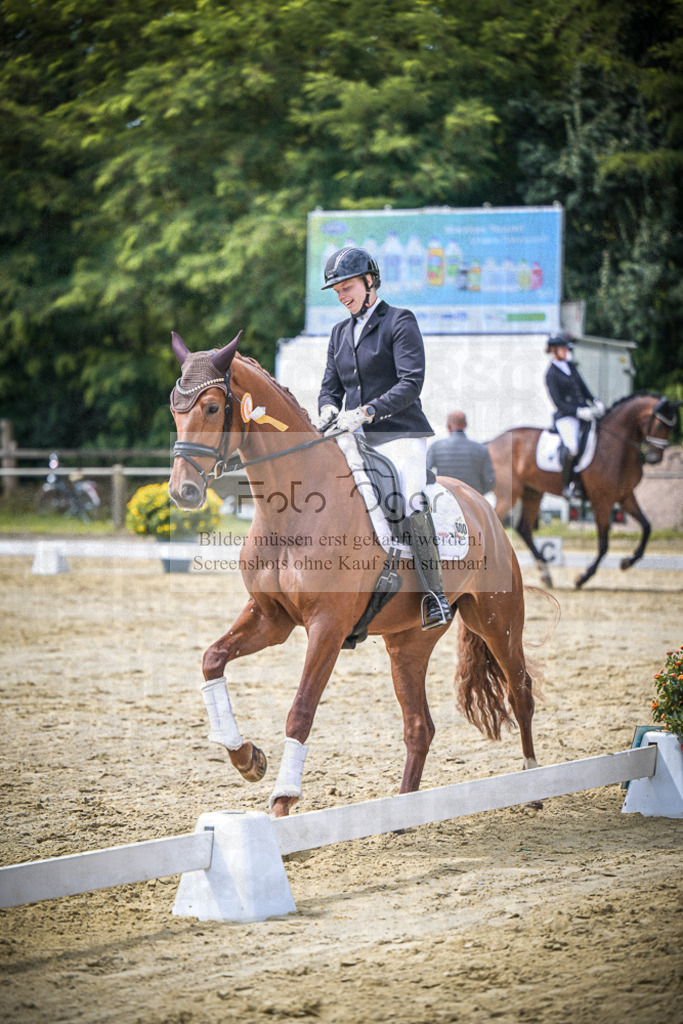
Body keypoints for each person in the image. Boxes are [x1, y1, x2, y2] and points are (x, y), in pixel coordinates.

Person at [317, 245, 452, 630]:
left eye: (347, 288)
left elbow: (411, 382)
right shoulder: (339, 333)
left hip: (399, 432)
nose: (342, 297)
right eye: (338, 291)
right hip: (353, 435)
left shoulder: (399, 321)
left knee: (409, 497)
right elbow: (330, 387)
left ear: (370, 281)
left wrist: (367, 411)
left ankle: (434, 595)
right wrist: (328, 409)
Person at [544, 332, 604, 498]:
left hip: (585, 412)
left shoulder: (570, 366)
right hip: (566, 416)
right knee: (573, 447)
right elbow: (558, 402)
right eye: (563, 348)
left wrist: (595, 401)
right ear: (554, 350)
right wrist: (577, 411)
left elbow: (583, 388)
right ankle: (567, 485)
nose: (566, 351)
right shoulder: (551, 374)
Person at [426, 411, 496, 497]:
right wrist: (477, 494)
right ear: (465, 425)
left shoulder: (436, 447)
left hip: (445, 498)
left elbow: (424, 473)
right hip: (472, 500)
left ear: (448, 426)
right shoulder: (482, 449)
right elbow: (490, 480)